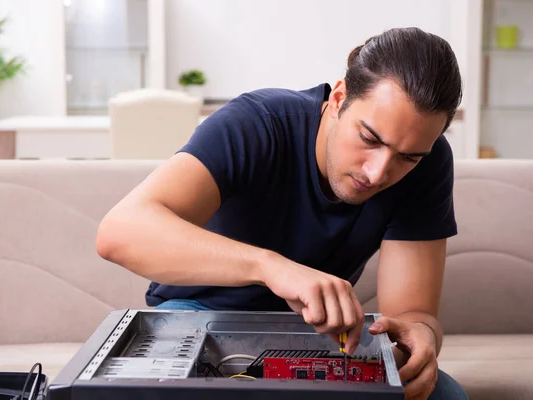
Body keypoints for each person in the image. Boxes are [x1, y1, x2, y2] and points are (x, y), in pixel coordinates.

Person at [96, 27, 468, 400]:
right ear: (339, 98)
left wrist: (421, 336)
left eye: (407, 157)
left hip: (317, 335)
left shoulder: (429, 165)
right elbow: (119, 231)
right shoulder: (257, 123)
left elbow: (413, 313)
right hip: (198, 313)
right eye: (370, 139)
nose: (377, 173)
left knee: (444, 395)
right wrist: (271, 268)